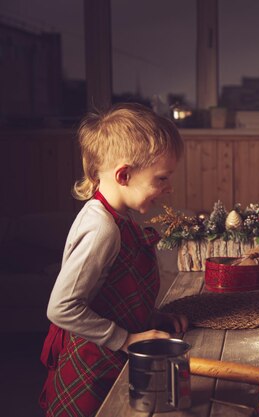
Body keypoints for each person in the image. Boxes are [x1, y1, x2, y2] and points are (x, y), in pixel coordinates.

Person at [39, 103, 189, 417]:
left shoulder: (118, 215)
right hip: (92, 370)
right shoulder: (102, 229)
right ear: (124, 175)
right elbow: (61, 308)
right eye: (161, 179)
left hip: (112, 358)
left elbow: (116, 291)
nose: (168, 188)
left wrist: (150, 318)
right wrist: (127, 338)